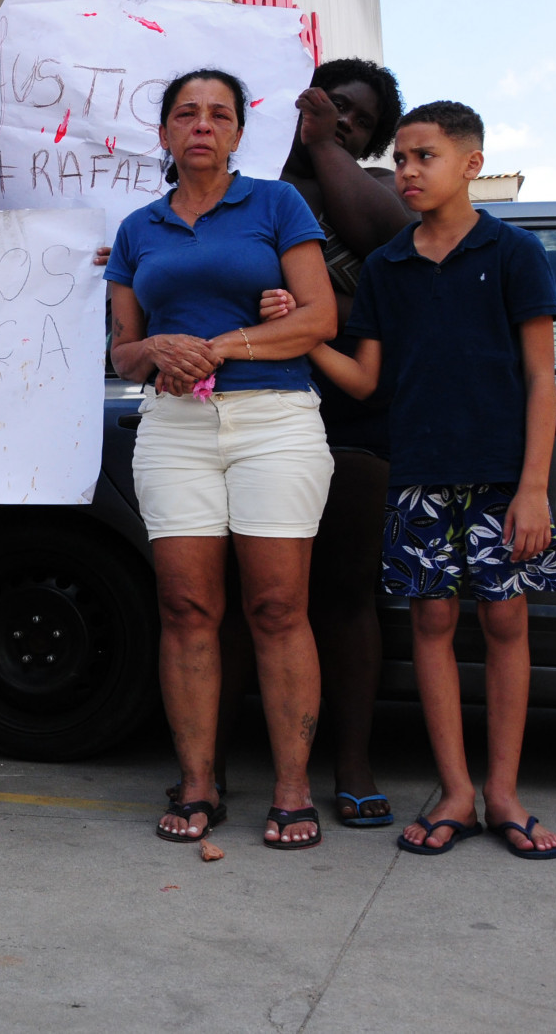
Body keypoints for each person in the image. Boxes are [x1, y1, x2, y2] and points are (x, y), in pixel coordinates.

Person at [304, 101, 556, 859]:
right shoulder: (388, 266)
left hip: (499, 477)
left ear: (470, 165)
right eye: (402, 160)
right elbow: (364, 380)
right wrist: (308, 331)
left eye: (424, 157)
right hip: (417, 474)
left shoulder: (513, 251)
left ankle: (505, 794)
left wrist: (531, 488)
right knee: (430, 623)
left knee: (507, 623)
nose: (408, 172)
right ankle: (455, 790)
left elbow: (542, 381)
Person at [106, 69, 337, 850]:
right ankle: (198, 780)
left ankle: (293, 787)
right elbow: (123, 349)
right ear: (165, 133)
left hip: (275, 418)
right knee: (186, 608)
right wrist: (156, 350)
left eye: (218, 114)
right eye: (185, 114)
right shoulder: (139, 228)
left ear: (239, 132)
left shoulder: (278, 205)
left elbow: (318, 318)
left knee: (276, 606)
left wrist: (224, 345)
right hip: (175, 425)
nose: (202, 125)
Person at [189, 62, 408, 824]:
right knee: (238, 599)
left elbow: (380, 233)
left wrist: (325, 146)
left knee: (344, 595)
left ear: (373, 133)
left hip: (350, 418)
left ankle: (349, 761)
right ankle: (207, 763)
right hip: (245, 408)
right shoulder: (246, 185)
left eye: (356, 116)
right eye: (328, 105)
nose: (340, 119)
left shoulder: (375, 183)